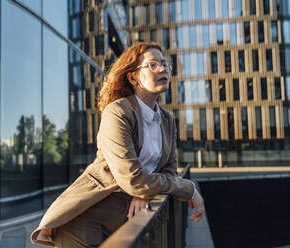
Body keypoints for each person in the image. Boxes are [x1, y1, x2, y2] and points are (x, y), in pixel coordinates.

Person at [30, 42, 205, 248]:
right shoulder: (117, 112)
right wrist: (187, 187)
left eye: (165, 64)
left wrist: (144, 193)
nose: (163, 69)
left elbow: (168, 171)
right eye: (153, 65)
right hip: (87, 218)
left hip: (126, 218)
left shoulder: (166, 119)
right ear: (133, 78)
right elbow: (133, 178)